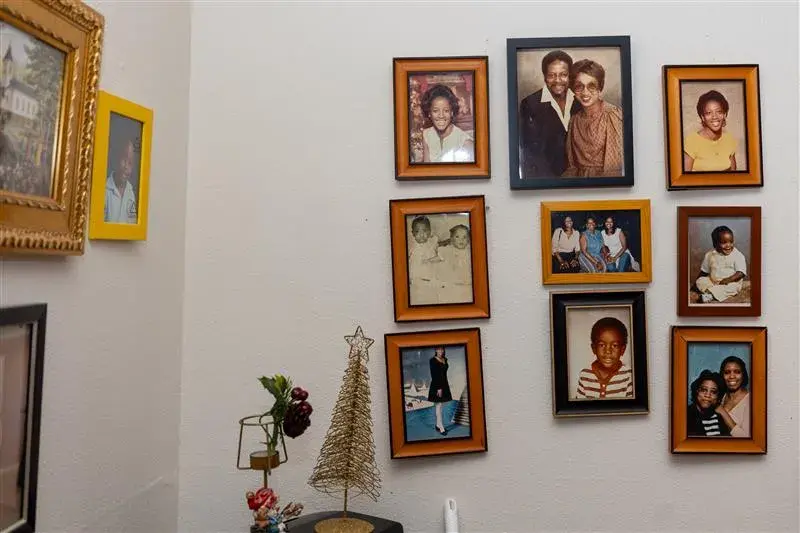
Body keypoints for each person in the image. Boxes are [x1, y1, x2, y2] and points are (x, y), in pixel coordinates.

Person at [518, 50, 581, 178]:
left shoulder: (580, 101)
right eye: (551, 75)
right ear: (544, 76)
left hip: (579, 179)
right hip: (547, 180)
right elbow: (530, 154)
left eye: (563, 74)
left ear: (570, 75)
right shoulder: (530, 104)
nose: (557, 81)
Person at [562, 59, 624, 177]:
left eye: (592, 86)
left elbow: (614, 168)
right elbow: (572, 166)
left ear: (600, 88)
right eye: (579, 86)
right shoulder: (574, 120)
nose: (585, 93)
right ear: (573, 90)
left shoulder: (612, 115)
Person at [576, 317, 633, 399]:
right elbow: (580, 408)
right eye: (601, 345)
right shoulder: (585, 375)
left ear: (622, 350)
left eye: (615, 345)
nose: (608, 351)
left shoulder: (628, 375)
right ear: (594, 348)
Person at [683, 90, 737, 172]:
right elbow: (684, 179)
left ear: (725, 114)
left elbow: (734, 176)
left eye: (719, 112)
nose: (714, 117)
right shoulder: (691, 141)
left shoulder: (729, 139)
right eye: (708, 113)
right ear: (702, 117)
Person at [692, 225, 747, 304]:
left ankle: (709, 295)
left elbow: (741, 273)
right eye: (724, 243)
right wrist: (695, 283)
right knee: (701, 281)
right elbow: (704, 271)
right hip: (713, 282)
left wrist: (727, 280)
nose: (728, 245)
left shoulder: (738, 255)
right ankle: (711, 291)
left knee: (733, 288)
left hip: (730, 282)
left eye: (731, 242)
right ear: (715, 244)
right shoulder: (710, 255)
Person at [420, 84, 474, 163]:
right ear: (429, 113)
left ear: (452, 112)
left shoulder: (465, 142)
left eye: (446, 111)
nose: (441, 116)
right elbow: (426, 170)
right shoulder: (426, 134)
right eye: (435, 111)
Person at [407, 215, 442, 305]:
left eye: (425, 231)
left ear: (430, 231)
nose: (421, 234)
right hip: (416, 274)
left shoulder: (432, 242)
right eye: (417, 231)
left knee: (435, 290)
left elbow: (440, 245)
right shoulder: (412, 245)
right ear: (413, 233)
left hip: (431, 273)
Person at [104, 135, 138, 224]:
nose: (126, 167)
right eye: (124, 159)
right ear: (116, 158)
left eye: (130, 163)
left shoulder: (130, 192)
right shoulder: (105, 190)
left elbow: (132, 223)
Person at [687, 370, 731, 437]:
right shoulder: (685, 415)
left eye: (713, 392)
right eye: (704, 390)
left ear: (718, 397)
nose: (707, 395)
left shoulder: (720, 417)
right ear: (697, 391)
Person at [436, 224, 473, 303]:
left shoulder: (469, 250)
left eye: (464, 237)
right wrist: (428, 261)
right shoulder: (448, 249)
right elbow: (439, 257)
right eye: (457, 237)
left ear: (469, 239)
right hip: (452, 279)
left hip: (465, 279)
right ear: (452, 239)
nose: (461, 240)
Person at [716, 355, 750, 438]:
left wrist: (723, 412)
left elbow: (747, 440)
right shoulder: (720, 396)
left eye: (737, 372)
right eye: (727, 372)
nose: (732, 376)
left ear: (743, 375)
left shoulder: (751, 401)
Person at [428, 346, 452, 435]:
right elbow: (434, 374)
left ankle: (438, 425)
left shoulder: (445, 359)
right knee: (439, 405)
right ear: (435, 350)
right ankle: (441, 426)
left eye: (442, 349)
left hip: (444, 384)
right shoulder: (432, 360)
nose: (440, 351)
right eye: (438, 349)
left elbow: (444, 373)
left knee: (440, 406)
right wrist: (439, 388)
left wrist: (443, 386)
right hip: (437, 385)